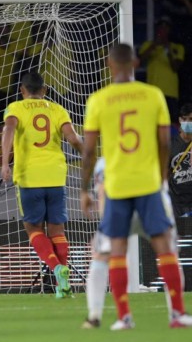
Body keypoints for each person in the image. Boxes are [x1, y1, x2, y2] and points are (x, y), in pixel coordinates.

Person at [80, 43, 192, 330]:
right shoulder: (152, 95)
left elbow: (90, 151)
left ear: (109, 64)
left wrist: (83, 189)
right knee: (165, 247)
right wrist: (162, 176)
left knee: (116, 250)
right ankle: (177, 314)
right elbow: (165, 142)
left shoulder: (98, 100)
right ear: (136, 63)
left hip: (116, 187)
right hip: (148, 184)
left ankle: (124, 317)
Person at [1, 71, 83, 298]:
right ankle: (62, 285)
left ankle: (57, 268)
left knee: (33, 229)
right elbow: (74, 139)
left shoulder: (16, 107)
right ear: (45, 91)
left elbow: (8, 129)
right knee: (57, 230)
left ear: (22, 90)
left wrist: (5, 162)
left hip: (30, 177)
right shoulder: (57, 110)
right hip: (56, 176)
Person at [81, 157, 183, 329]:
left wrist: (105, 226)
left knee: (101, 255)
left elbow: (103, 193)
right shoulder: (149, 154)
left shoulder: (105, 162)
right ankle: (177, 313)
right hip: (150, 204)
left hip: (120, 207)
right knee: (169, 252)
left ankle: (96, 316)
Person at [138, 16, 185, 122]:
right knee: (152, 121)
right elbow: (139, 61)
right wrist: (154, 45)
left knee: (171, 122)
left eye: (166, 27)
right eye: (161, 27)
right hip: (153, 91)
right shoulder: (148, 45)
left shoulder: (177, 47)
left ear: (170, 30)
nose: (163, 30)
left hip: (171, 93)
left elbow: (176, 67)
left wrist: (168, 50)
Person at [169, 103, 192, 217]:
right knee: (179, 234)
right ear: (179, 120)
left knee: (188, 234)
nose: (188, 122)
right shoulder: (170, 144)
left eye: (191, 119)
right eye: (184, 119)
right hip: (175, 204)